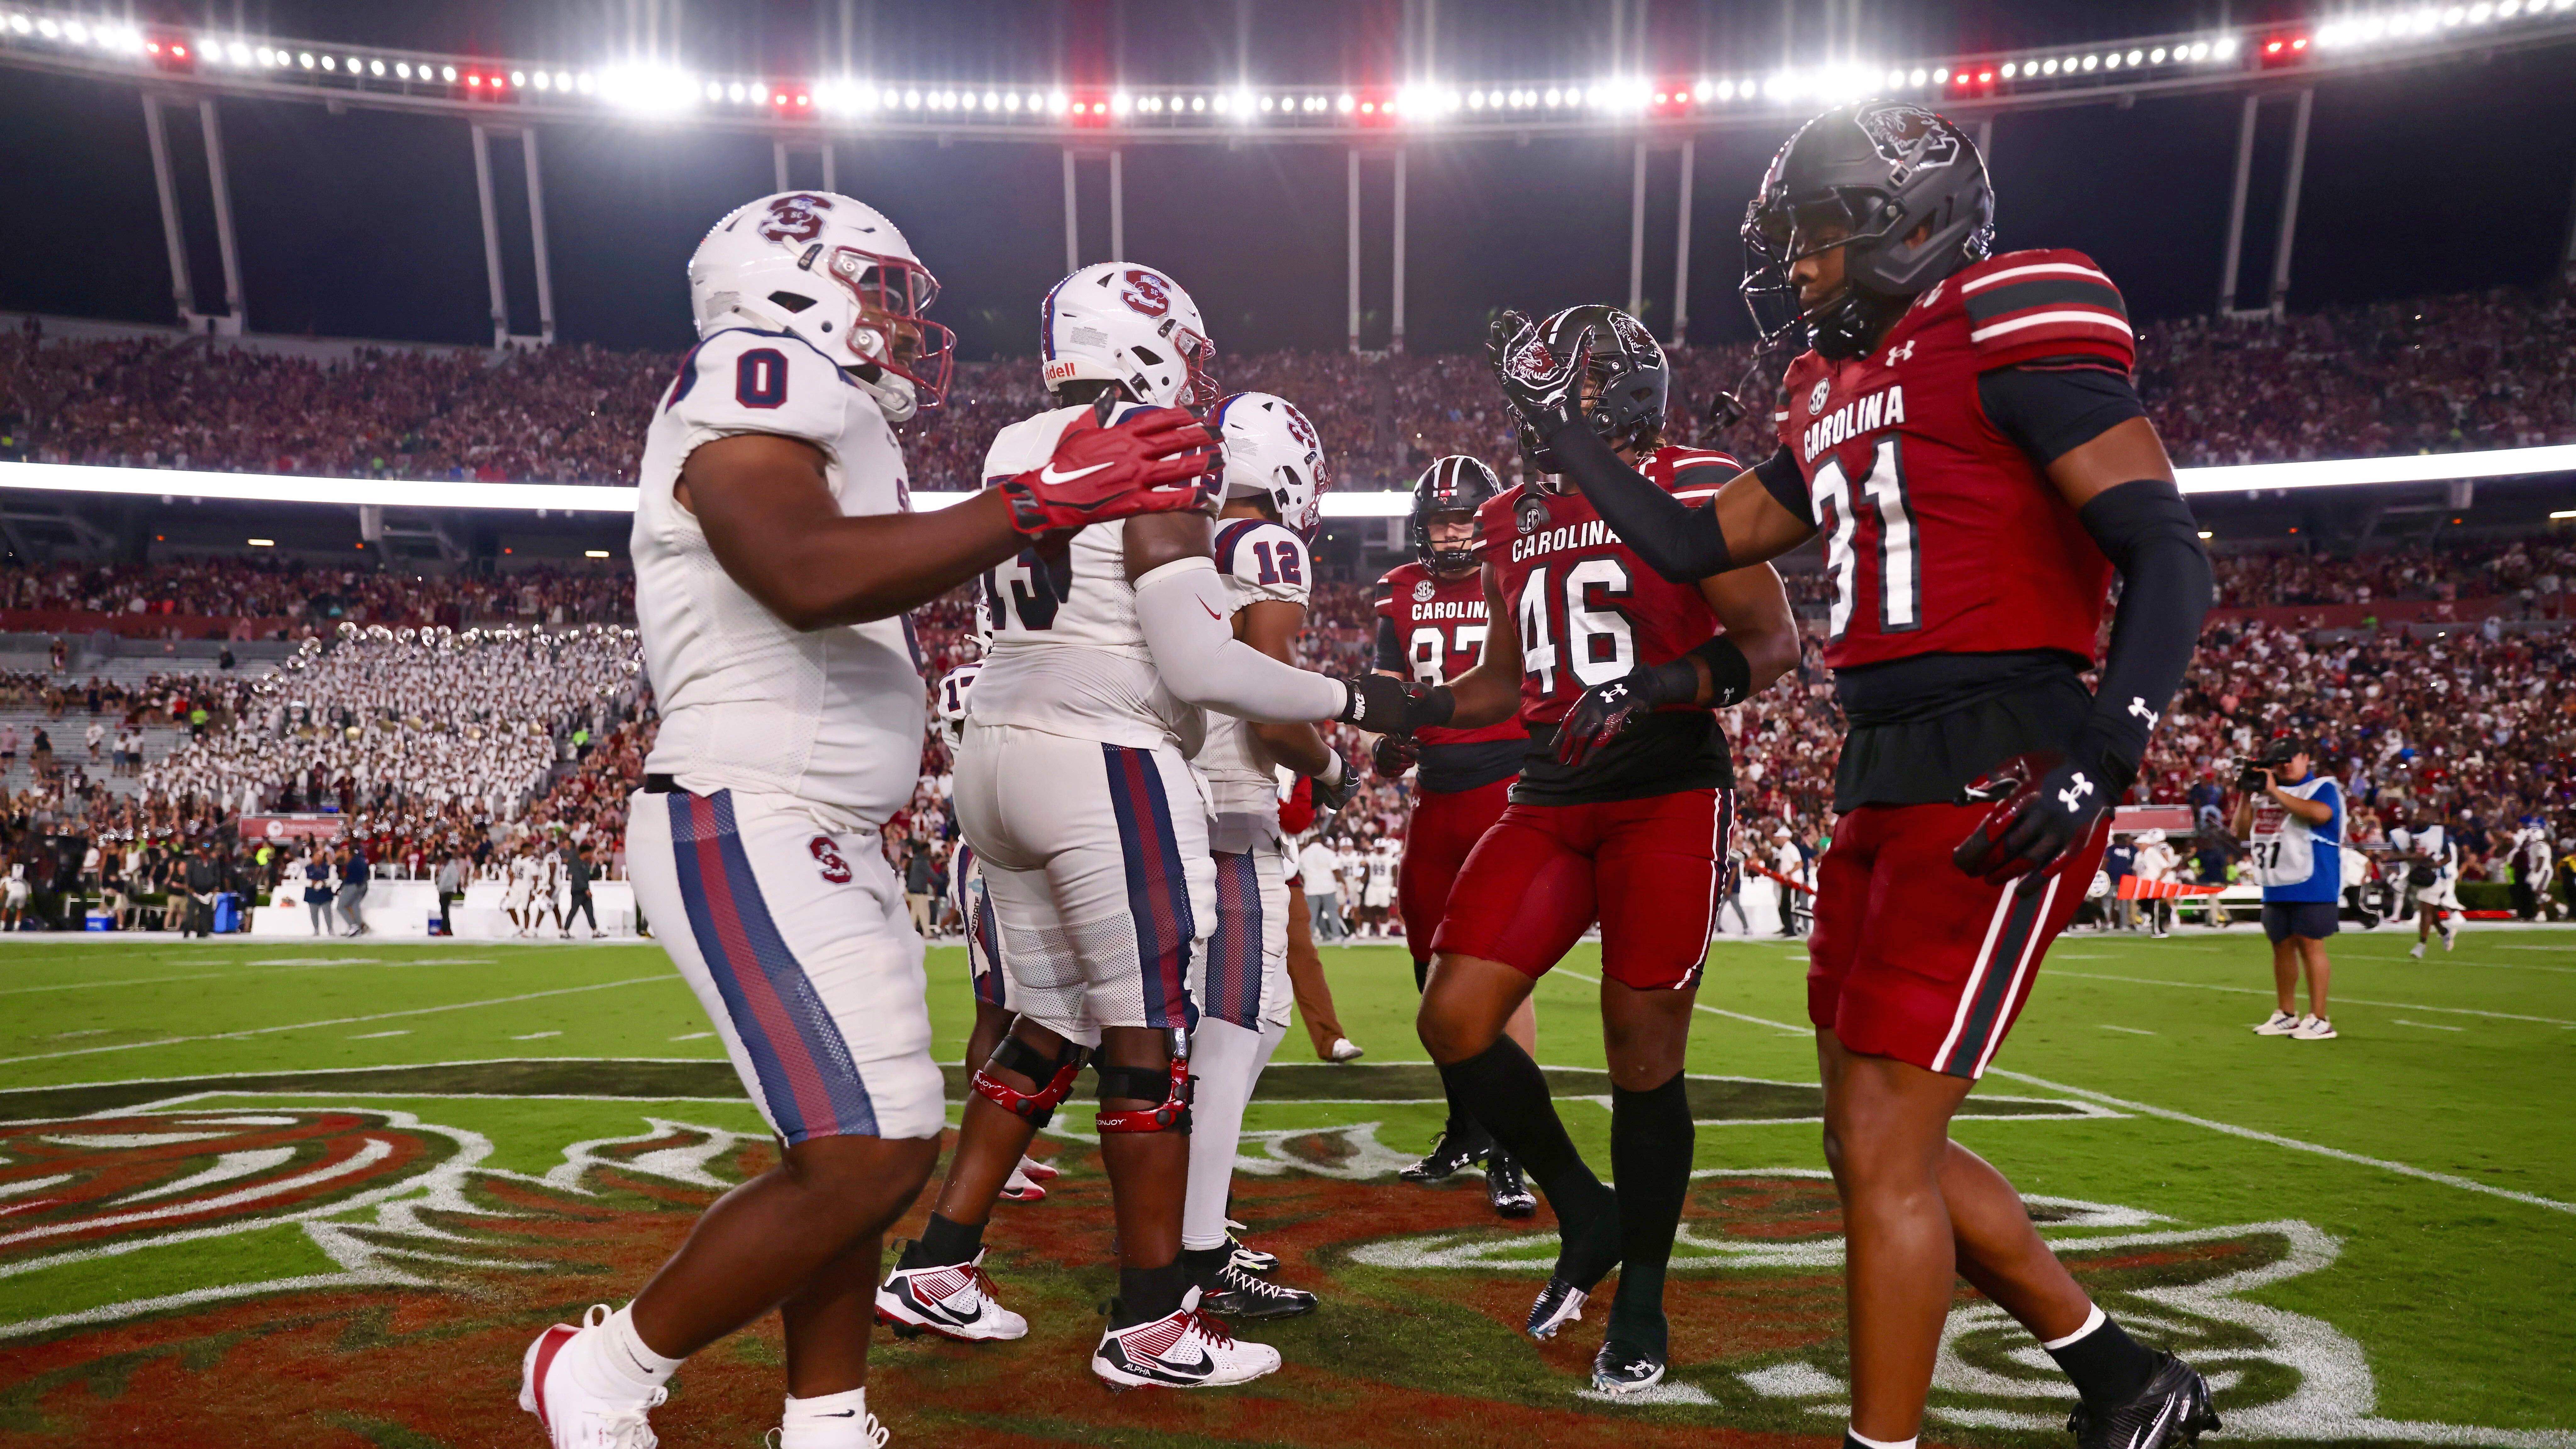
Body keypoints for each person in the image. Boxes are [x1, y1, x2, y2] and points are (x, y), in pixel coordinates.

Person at [1487, 101, 2222, 1449]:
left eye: (1823, 240)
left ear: (1913, 226)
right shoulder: (1831, 383)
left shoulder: (2011, 314)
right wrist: (1567, 438)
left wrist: (2104, 757)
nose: (1802, 271)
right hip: (1880, 764)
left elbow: (2167, 550)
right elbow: (1691, 536)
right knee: (1873, 1137)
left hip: (2004, 749)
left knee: (1883, 1144)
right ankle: (2120, 1374)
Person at [517, 191, 1216, 1449]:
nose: (900, 321)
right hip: (750, 803)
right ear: (792, 283)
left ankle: (826, 1411)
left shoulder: (831, 410)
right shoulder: (757, 369)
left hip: (821, 817)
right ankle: (604, 1366)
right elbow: (796, 568)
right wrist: (1032, 508)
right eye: (879, 288)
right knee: (866, 1151)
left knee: (858, 1144)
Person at [879, 263, 1395, 1389]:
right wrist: (1354, 701)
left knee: (1044, 1023)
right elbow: (1200, 660)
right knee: (1146, 1041)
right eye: (1188, 352)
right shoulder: (1155, 448)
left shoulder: (1015, 440)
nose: (1198, 382)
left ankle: (937, 1262)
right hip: (1100, 755)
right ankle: (1153, 1320)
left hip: (991, 760)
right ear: (1151, 344)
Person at [1395, 301, 1801, 1394]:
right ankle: (1589, 1209)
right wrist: (1393, 701)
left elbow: (1771, 642)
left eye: (1557, 393)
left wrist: (1657, 687)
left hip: (1665, 788)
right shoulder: (1511, 515)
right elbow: (1501, 677)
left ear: (1606, 395)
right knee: (1453, 1014)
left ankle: (1647, 1291)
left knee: (1641, 1050)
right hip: (1552, 790)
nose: (1536, 417)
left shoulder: (1694, 473)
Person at [1171, 389, 1353, 1320]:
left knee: (1250, 1018)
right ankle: (1190, 1252)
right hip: (1225, 807)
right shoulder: (1265, 546)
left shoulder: (1180, 533)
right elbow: (1274, 707)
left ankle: (1192, 1222)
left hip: (1165, 797)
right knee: (1234, 1026)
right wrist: (1331, 761)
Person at [1373, 454, 1539, 1216]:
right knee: (1426, 972)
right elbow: (1389, 697)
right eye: (1440, 520)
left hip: (1504, 787)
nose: (1451, 534)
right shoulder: (1399, 592)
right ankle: (1467, 1127)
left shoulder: (1511, 575)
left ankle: (1514, 1147)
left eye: (1464, 519)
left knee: (1497, 974)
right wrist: (1387, 744)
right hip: (1434, 799)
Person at [2234, 740, 2341, 1041]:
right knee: (2280, 946)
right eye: (2276, 761)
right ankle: (2286, 1014)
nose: (2283, 765)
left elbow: (2320, 815)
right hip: (2276, 880)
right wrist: (2246, 793)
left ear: (2305, 757)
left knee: (2310, 945)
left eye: (2289, 758)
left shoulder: (2322, 787)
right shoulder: (2264, 792)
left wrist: (2274, 792)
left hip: (2312, 879)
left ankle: (2319, 1018)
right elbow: (2240, 832)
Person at [2392, 802, 2462, 959]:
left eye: (2423, 815)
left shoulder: (2438, 833)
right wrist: (2413, 857)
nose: (2419, 818)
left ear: (2430, 817)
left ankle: (2421, 945)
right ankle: (2444, 932)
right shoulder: (2408, 835)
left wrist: (2437, 864)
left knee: (2426, 908)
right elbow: (2403, 854)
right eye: (2418, 815)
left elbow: (2448, 856)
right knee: (2429, 910)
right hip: (2419, 875)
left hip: (2436, 876)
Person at [1297, 832, 1344, 942]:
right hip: (1328, 887)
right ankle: (1337, 935)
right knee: (1332, 912)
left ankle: (1310, 937)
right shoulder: (1328, 853)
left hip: (1311, 887)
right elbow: (1336, 870)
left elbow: (1301, 873)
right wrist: (1342, 883)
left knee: (1312, 914)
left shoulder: (1304, 854)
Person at [902, 837, 936, 936]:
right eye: (929, 850)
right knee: (924, 913)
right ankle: (927, 933)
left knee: (915, 913)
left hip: (912, 890)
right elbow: (932, 875)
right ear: (925, 850)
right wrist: (942, 880)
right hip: (919, 891)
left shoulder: (915, 860)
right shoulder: (922, 861)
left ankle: (910, 933)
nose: (930, 852)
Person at [337, 840, 371, 937]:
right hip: (363, 886)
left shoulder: (353, 861)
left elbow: (346, 875)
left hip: (352, 885)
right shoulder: (363, 860)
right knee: (355, 905)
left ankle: (353, 926)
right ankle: (360, 928)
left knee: (341, 907)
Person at [565, 843, 600, 938]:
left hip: (584, 891)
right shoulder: (576, 863)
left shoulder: (585, 863)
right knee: (574, 911)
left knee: (590, 911)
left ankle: (595, 931)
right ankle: (566, 930)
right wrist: (586, 889)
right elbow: (577, 878)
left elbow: (589, 876)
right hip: (578, 892)